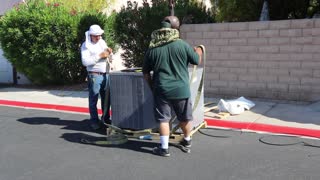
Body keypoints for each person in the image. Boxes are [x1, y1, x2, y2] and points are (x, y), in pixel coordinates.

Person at [142, 16, 203, 157]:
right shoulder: (182, 45)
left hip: (161, 89)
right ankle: (187, 140)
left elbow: (145, 73)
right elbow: (196, 60)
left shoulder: (153, 49)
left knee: (163, 119)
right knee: (185, 117)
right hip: (181, 89)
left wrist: (153, 87)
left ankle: (164, 149)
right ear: (174, 30)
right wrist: (199, 49)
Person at [81, 24, 113, 130]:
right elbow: (85, 62)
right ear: (90, 35)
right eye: (96, 36)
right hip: (94, 75)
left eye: (99, 35)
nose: (98, 37)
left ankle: (105, 119)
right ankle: (94, 121)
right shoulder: (85, 45)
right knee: (93, 99)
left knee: (106, 99)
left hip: (105, 74)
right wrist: (99, 56)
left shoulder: (102, 42)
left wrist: (109, 53)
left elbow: (107, 55)